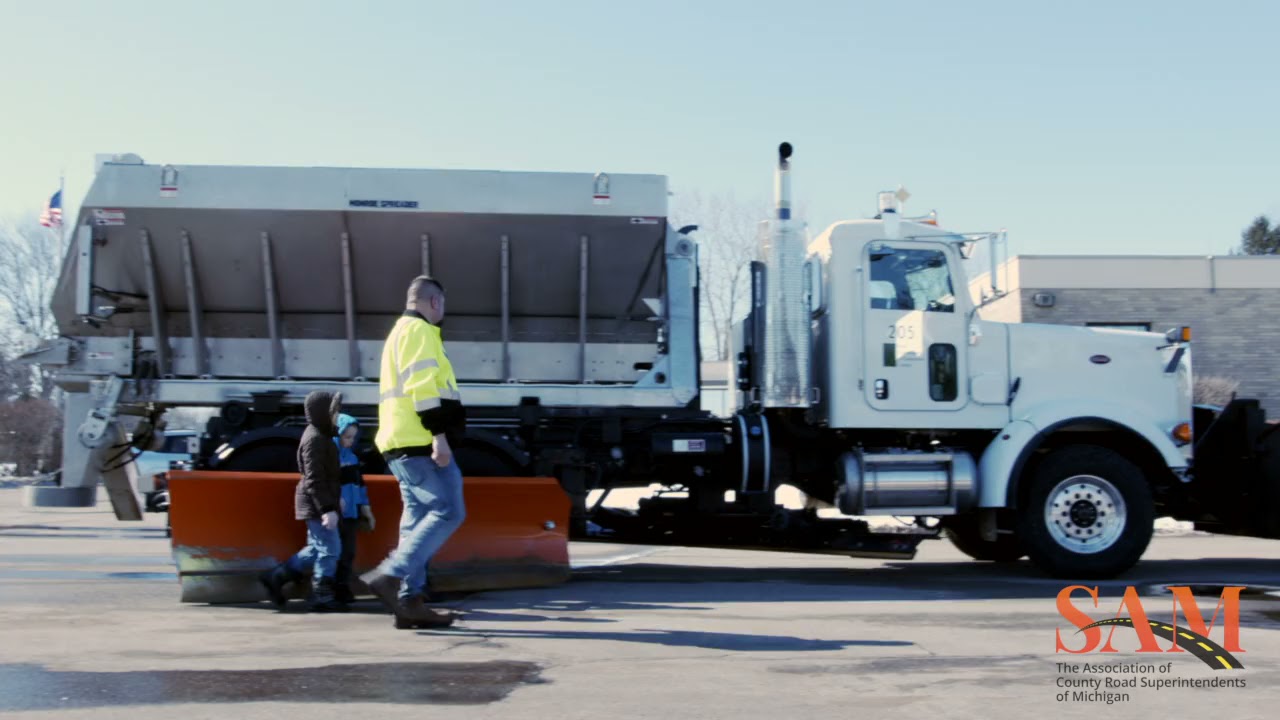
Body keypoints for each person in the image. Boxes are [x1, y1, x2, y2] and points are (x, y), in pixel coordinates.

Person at [360, 276, 466, 629]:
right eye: (443, 305)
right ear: (435, 302)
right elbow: (422, 387)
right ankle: (392, 576)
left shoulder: (400, 332)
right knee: (448, 510)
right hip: (418, 440)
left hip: (400, 441)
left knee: (417, 519)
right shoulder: (419, 332)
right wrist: (440, 437)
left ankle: (409, 602)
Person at [259, 390, 347, 613]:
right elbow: (315, 479)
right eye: (334, 411)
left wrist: (335, 502)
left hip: (318, 502)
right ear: (322, 413)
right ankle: (321, 595)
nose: (338, 415)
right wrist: (327, 509)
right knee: (331, 549)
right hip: (316, 503)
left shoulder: (321, 435)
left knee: (317, 549)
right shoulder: (315, 439)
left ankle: (276, 577)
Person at [333, 413, 376, 605]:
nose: (350, 441)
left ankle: (341, 587)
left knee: (348, 552)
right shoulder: (329, 456)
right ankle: (331, 587)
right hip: (334, 512)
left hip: (350, 512)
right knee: (330, 551)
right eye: (346, 436)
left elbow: (360, 485)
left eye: (353, 437)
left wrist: (365, 508)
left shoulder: (352, 458)